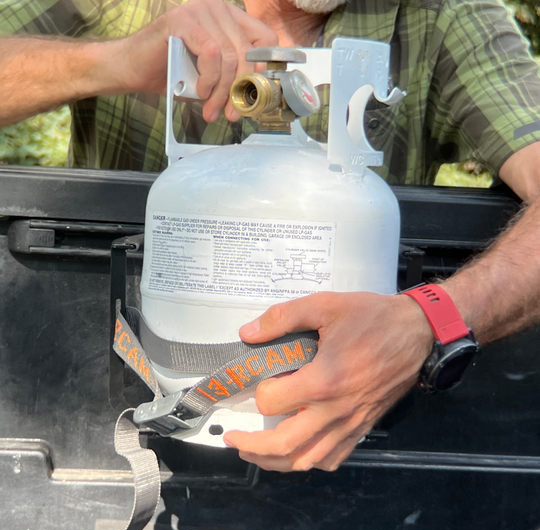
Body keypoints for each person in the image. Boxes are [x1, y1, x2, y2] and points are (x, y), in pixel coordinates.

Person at [2, 0, 540, 472]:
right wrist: (111, 61)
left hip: (352, 441)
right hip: (110, 415)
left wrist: (429, 319)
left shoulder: (443, 16)